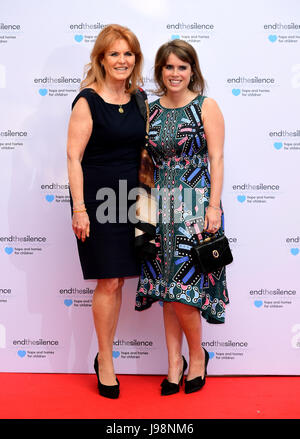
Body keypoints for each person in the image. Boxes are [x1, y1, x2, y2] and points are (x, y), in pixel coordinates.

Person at [135, 39, 230, 395]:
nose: (175, 73)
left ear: (193, 70)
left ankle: (198, 358)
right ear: (160, 70)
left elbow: (216, 160)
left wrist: (213, 207)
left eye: (182, 67)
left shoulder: (206, 106)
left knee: (184, 293)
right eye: (168, 67)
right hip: (158, 208)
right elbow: (145, 165)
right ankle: (174, 364)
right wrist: (142, 217)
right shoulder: (150, 110)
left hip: (195, 207)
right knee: (166, 291)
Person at [67, 24, 147, 399]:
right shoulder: (87, 100)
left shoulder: (140, 99)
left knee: (120, 281)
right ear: (101, 58)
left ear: (135, 60)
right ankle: (106, 360)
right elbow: (73, 157)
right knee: (108, 280)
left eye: (128, 54)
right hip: (97, 200)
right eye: (114, 53)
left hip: (131, 200)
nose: (121, 60)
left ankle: (105, 357)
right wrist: (80, 208)